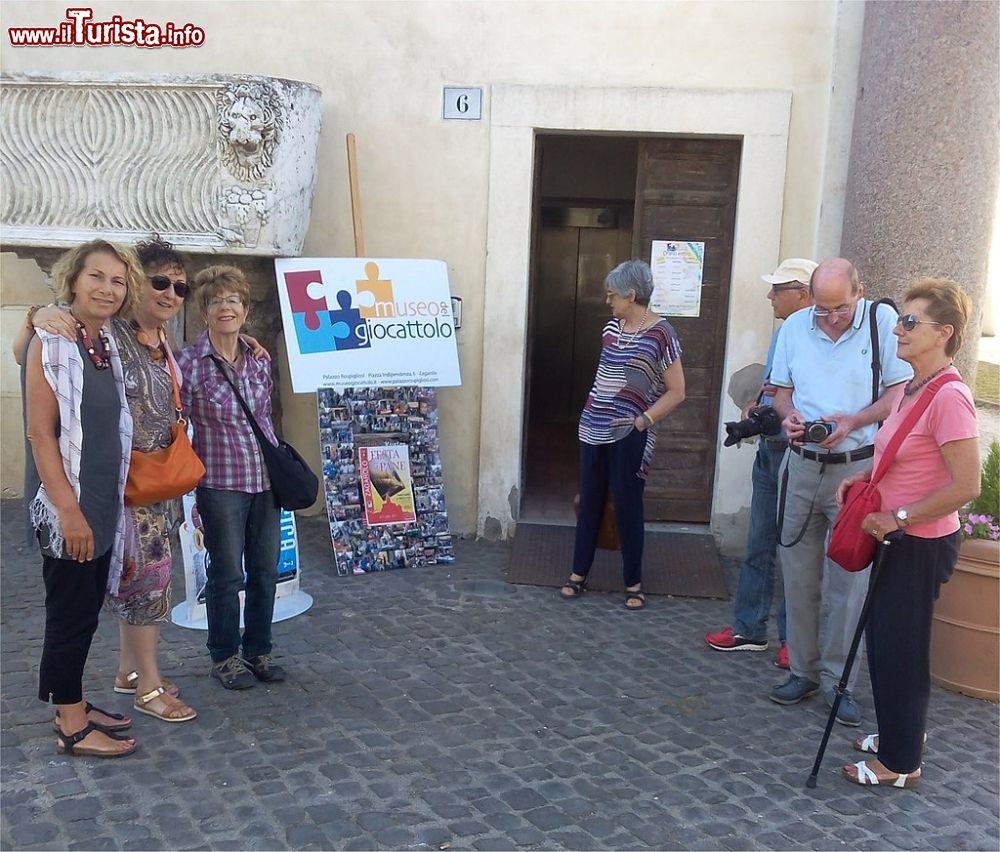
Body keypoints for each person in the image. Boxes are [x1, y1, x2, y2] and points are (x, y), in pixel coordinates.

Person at [19, 239, 200, 723]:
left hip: (149, 487)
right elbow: (34, 358)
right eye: (159, 282)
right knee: (137, 588)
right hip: (108, 491)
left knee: (137, 585)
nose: (169, 294)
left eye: (179, 287)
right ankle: (139, 688)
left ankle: (128, 674)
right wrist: (39, 315)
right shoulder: (106, 333)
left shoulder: (160, 341)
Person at [837, 278, 979, 788]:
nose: (898, 329)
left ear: (944, 332)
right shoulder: (913, 386)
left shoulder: (951, 397)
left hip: (918, 542)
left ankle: (899, 764)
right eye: (901, 319)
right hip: (897, 536)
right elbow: (903, 456)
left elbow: (967, 484)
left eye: (911, 322)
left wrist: (898, 517)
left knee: (900, 646)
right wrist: (866, 480)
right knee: (889, 642)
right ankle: (903, 733)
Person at [768, 258, 912, 726]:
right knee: (797, 573)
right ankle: (804, 672)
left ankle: (839, 681)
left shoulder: (881, 322)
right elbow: (780, 391)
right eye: (822, 309)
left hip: (857, 472)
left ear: (860, 292)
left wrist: (852, 421)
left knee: (850, 582)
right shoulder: (794, 326)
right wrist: (787, 415)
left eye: (841, 308)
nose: (831, 318)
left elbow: (899, 394)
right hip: (802, 465)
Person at [22, 240, 141, 757]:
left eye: (117, 281)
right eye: (97, 276)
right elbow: (39, 435)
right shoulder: (52, 342)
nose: (107, 289)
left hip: (102, 501)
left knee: (86, 608)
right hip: (66, 506)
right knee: (68, 612)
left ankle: (74, 698)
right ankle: (70, 723)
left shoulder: (106, 343)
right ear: (73, 279)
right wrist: (68, 511)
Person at [176, 265, 286, 689]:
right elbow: (175, 418)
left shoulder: (258, 358)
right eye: (217, 301)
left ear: (244, 309)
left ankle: (258, 650)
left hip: (265, 481)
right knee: (227, 574)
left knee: (265, 570)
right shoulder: (189, 364)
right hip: (221, 483)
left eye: (233, 300)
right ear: (205, 311)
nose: (226, 308)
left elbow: (264, 417)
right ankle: (224, 656)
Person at [705, 258, 816, 668]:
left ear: (803, 294)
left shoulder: (817, 339)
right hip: (770, 448)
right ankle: (749, 629)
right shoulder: (784, 332)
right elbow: (775, 386)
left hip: (795, 451)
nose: (770, 295)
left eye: (778, 289)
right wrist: (757, 404)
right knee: (758, 543)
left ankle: (792, 640)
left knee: (794, 549)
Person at [560, 259, 685, 609]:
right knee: (590, 501)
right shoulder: (611, 329)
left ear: (631, 295)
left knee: (628, 505)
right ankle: (578, 573)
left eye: (612, 295)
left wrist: (643, 420)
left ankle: (633, 582)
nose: (608, 301)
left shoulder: (662, 333)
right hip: (593, 428)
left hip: (630, 433)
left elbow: (677, 390)